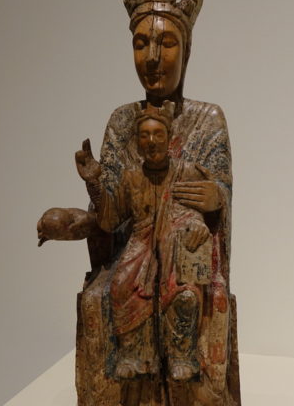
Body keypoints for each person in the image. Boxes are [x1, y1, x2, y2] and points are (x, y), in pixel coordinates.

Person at [38, 0, 239, 405]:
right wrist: (92, 188)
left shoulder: (208, 120)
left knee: (189, 290)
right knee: (106, 292)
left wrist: (217, 198)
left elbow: (221, 196)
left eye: (166, 43)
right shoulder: (121, 121)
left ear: (186, 50)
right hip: (136, 246)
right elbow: (111, 214)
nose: (152, 57)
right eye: (141, 42)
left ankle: (183, 368)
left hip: (186, 249)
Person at [77, 100, 214, 382]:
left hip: (175, 245)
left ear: (169, 138)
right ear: (138, 144)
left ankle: (180, 355)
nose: (151, 142)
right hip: (141, 244)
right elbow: (110, 220)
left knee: (185, 294)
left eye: (158, 134)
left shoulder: (186, 172)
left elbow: (196, 213)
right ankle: (136, 356)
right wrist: (93, 183)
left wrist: (198, 226)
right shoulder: (131, 177)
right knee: (121, 284)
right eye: (145, 136)